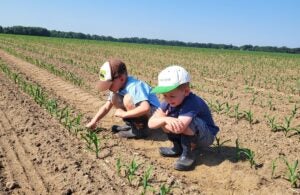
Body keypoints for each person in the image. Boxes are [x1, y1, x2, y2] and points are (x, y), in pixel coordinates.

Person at [148, 65, 219, 171]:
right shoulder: (168, 102)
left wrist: (164, 119)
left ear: (186, 91)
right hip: (187, 131)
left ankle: (188, 154)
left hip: (205, 136)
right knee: (165, 119)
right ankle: (178, 147)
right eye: (165, 95)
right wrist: (164, 119)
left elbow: (180, 128)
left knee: (185, 121)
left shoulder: (191, 102)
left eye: (172, 96)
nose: (168, 99)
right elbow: (151, 123)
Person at [86, 58, 160, 139]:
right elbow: (106, 107)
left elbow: (145, 108)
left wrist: (124, 114)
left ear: (121, 78)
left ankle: (141, 130)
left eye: (110, 85)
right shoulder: (117, 87)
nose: (109, 88)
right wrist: (94, 121)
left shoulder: (134, 86)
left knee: (127, 99)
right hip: (144, 114)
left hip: (154, 115)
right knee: (115, 97)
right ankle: (132, 126)